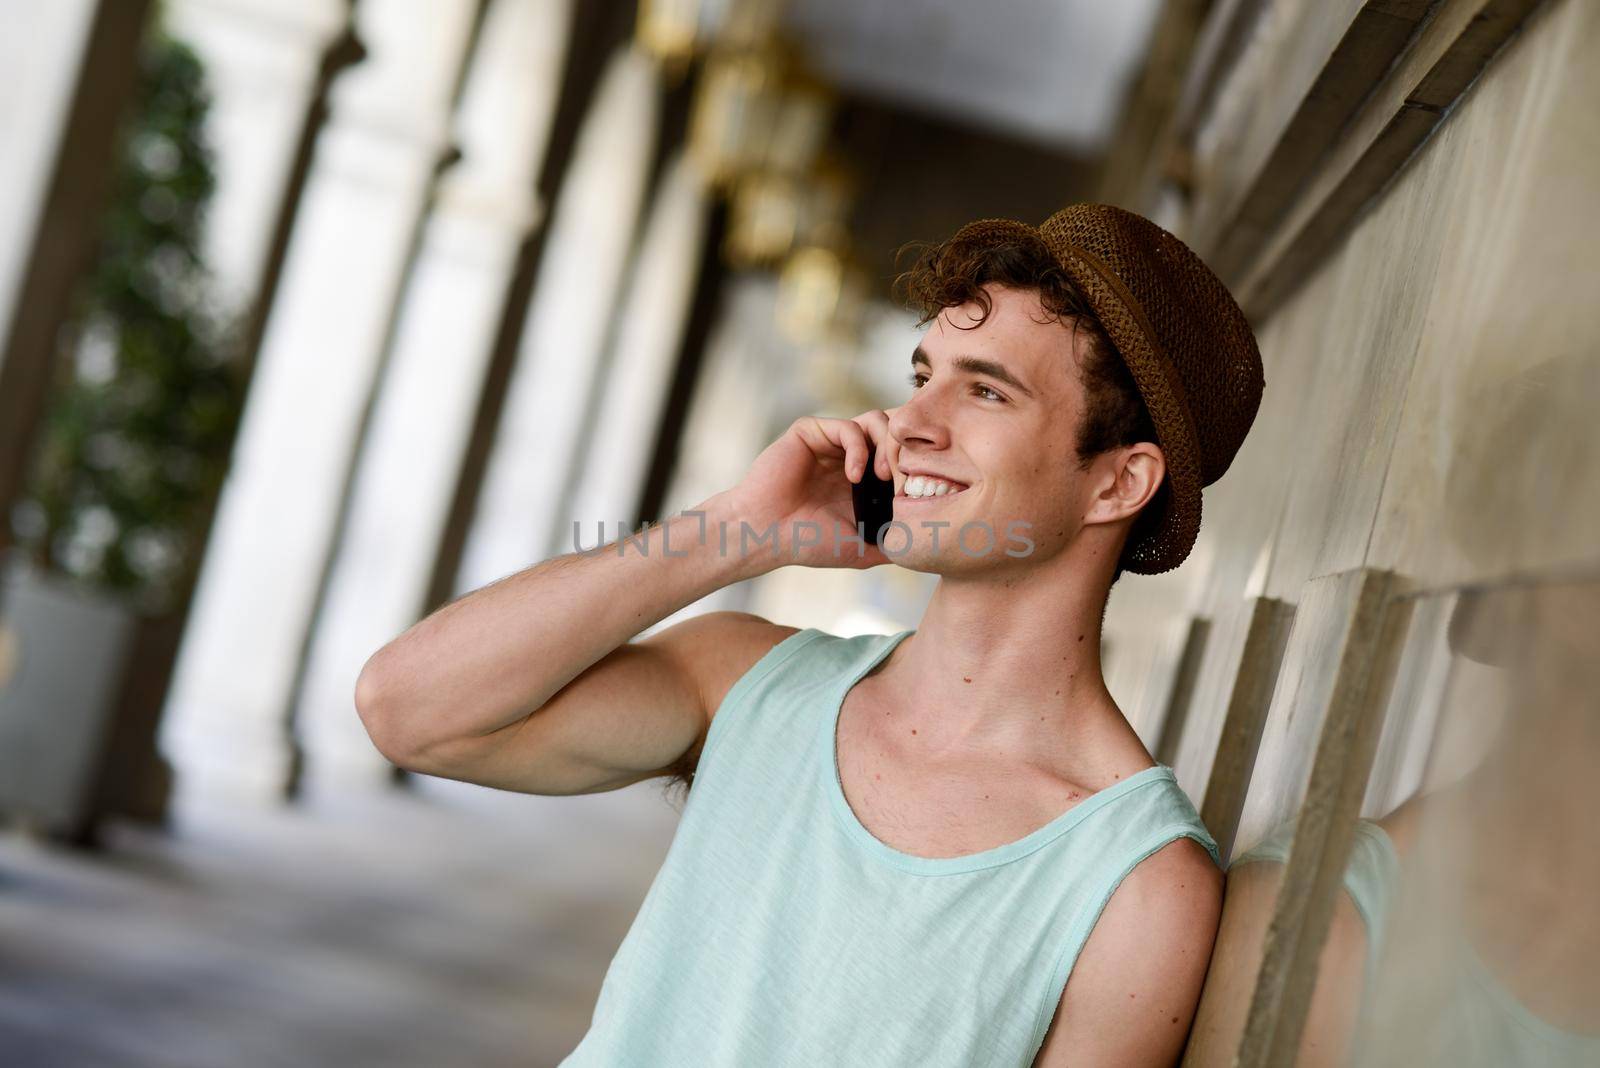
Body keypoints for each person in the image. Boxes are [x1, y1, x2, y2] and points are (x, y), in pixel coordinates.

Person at [354, 203, 1266, 1067]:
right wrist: (732, 533)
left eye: (985, 392)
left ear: (1118, 483)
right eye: (922, 377)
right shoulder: (744, 679)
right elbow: (410, 712)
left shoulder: (1138, 887)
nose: (910, 425)